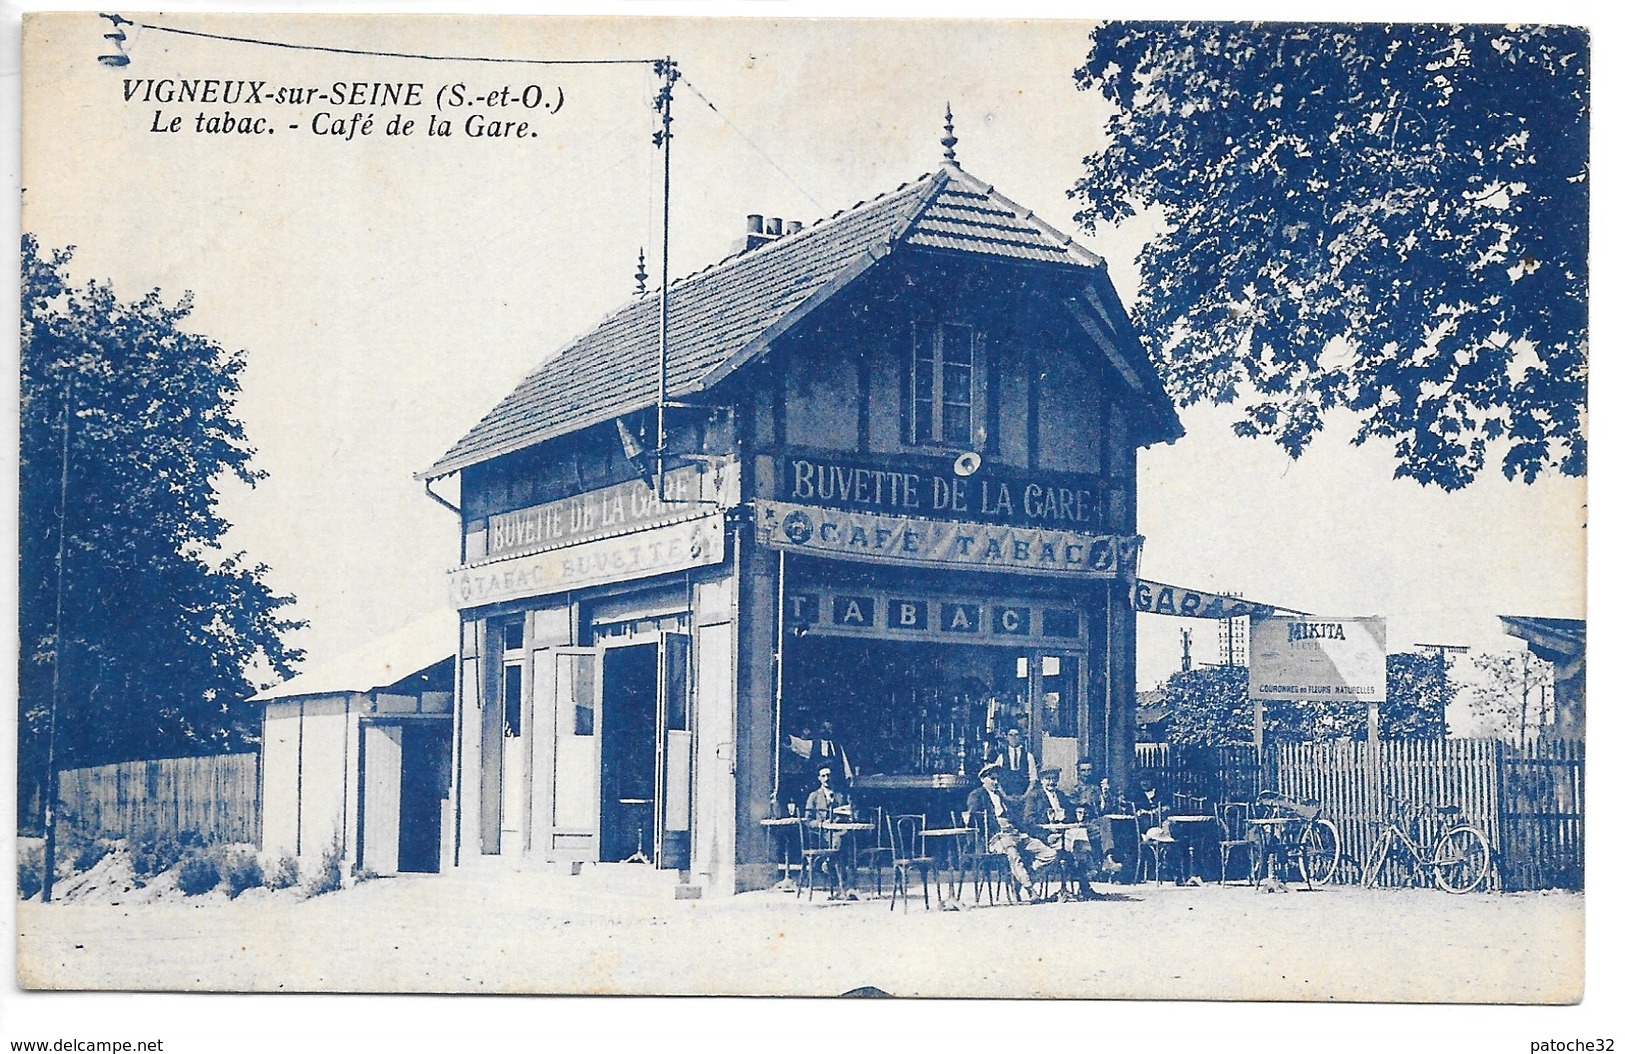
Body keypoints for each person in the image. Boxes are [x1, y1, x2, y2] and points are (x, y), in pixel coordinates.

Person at [965, 762, 1057, 902]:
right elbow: (974, 820)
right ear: (983, 779)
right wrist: (996, 829)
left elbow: (1015, 819)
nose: (996, 782)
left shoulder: (1001, 797)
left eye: (997, 779)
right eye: (992, 779)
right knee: (1014, 855)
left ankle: (1022, 878)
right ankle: (1031, 891)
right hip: (995, 837)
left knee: (1049, 853)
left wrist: (1028, 832)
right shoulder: (977, 795)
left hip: (1015, 834)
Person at [1023, 767, 1105, 898]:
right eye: (1048, 779)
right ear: (1041, 780)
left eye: (1054, 779)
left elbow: (1071, 815)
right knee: (1075, 845)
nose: (1051, 782)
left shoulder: (1061, 795)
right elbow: (1029, 821)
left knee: (1080, 838)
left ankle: (1084, 878)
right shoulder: (1034, 796)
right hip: (1046, 837)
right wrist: (1046, 834)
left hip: (1063, 834)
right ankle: (1085, 880)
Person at [803, 763, 857, 897]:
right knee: (838, 842)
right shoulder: (814, 796)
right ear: (819, 778)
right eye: (824, 776)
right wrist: (821, 824)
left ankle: (845, 882)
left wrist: (847, 813)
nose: (827, 778)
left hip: (840, 831)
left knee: (848, 840)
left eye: (829, 775)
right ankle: (841, 884)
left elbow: (849, 813)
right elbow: (808, 820)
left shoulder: (840, 795)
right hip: (822, 834)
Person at [989, 726, 1037, 795]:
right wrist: (1004, 795)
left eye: (1016, 735)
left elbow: (1033, 778)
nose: (1013, 738)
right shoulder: (1001, 757)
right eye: (1010, 735)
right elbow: (996, 778)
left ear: (1020, 737)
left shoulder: (1029, 756)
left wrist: (1026, 795)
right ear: (1007, 738)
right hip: (1006, 794)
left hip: (1024, 793)